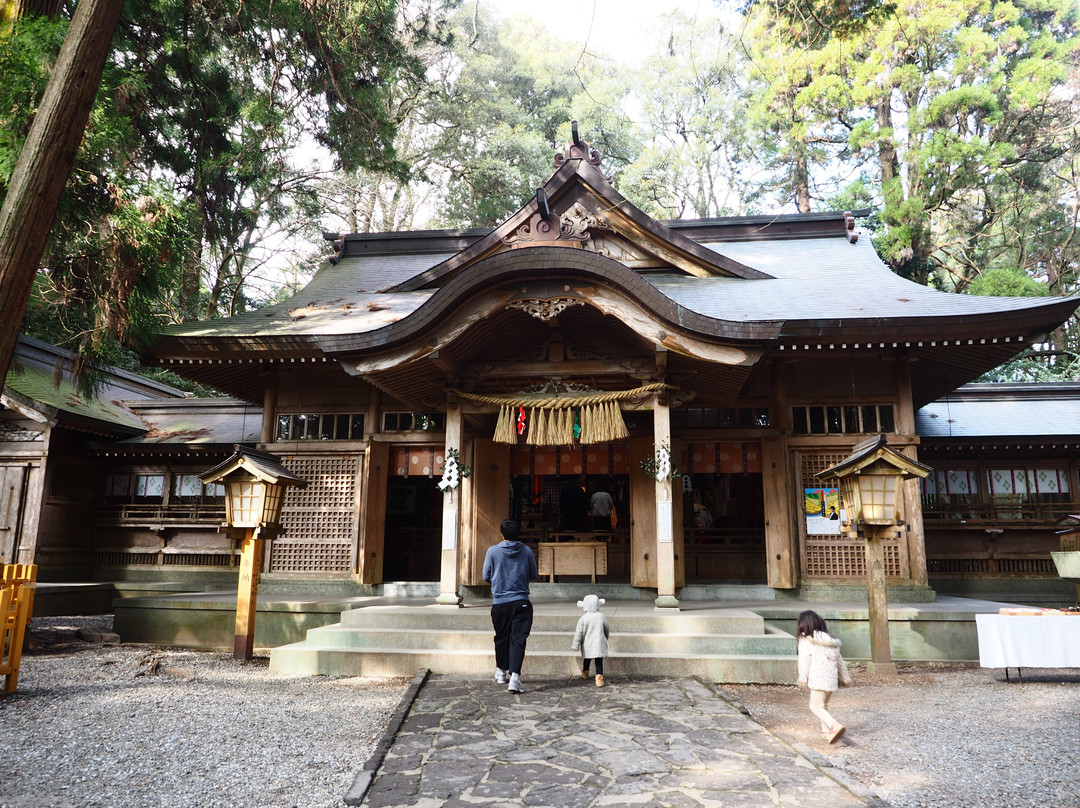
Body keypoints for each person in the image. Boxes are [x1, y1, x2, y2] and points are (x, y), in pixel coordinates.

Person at [483, 519, 538, 694]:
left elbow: (486, 575)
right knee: (518, 639)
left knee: (501, 636)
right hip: (521, 601)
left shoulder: (492, 551)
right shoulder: (527, 551)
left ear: (502, 534)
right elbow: (534, 574)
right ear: (518, 533)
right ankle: (514, 677)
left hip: (499, 602)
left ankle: (501, 671)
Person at [796, 609, 853, 744]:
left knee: (815, 706)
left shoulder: (806, 640)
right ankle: (827, 732)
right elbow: (840, 661)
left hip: (817, 677)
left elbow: (804, 660)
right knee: (824, 705)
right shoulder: (830, 639)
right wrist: (845, 678)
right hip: (831, 678)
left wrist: (803, 678)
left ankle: (834, 725)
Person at [572, 594, 610, 687]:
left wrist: (575, 645)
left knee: (587, 659)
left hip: (587, 643)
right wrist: (606, 637)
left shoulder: (583, 619)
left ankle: (585, 671)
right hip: (599, 643)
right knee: (598, 661)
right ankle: (599, 678)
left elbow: (578, 633)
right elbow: (607, 628)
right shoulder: (601, 616)